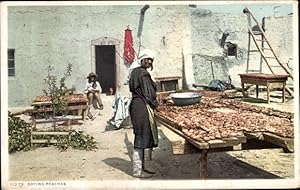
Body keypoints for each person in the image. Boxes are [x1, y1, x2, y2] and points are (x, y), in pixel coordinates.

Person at [129, 49, 159, 178]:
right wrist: (156, 104)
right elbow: (148, 94)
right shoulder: (141, 73)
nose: (150, 62)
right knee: (141, 137)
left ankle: (142, 167)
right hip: (141, 107)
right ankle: (137, 171)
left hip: (138, 105)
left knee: (142, 136)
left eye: (151, 60)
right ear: (142, 59)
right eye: (148, 59)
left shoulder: (137, 72)